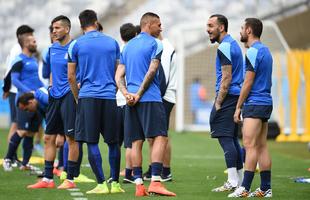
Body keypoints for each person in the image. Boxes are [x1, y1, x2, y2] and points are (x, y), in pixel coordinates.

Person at [115, 12, 176, 197]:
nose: (160, 28)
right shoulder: (156, 43)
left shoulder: (127, 46)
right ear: (148, 24)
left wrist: (127, 94)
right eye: (158, 24)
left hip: (131, 101)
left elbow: (118, 75)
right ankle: (156, 181)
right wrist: (139, 94)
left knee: (135, 142)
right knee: (160, 137)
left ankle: (139, 185)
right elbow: (153, 69)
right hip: (149, 98)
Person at [68, 9, 124, 194]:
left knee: (91, 142)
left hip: (88, 97)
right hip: (109, 97)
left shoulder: (75, 45)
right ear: (96, 21)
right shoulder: (112, 42)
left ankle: (101, 184)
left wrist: (78, 97)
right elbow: (118, 72)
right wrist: (112, 90)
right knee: (113, 142)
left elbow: (70, 77)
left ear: (81, 24)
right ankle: (115, 184)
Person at [228, 18, 273, 198]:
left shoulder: (253, 52)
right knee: (262, 146)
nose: (240, 31)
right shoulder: (266, 51)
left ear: (248, 30)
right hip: (266, 103)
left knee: (249, 145)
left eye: (241, 28)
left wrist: (238, 107)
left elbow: (248, 82)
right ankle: (265, 188)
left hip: (254, 103)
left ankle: (244, 188)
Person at [206, 14, 244, 192]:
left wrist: (218, 102)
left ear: (221, 28)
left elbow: (226, 78)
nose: (208, 29)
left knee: (225, 138)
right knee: (232, 139)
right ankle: (240, 180)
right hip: (235, 96)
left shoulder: (225, 47)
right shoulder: (233, 44)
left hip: (227, 97)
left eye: (211, 25)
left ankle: (233, 181)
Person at [2, 32, 44, 171]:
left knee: (31, 133)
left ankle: (25, 163)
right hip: (25, 101)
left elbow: (36, 79)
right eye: (33, 41)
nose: (35, 43)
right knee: (22, 130)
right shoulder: (18, 60)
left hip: (36, 101)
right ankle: (8, 159)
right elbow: (15, 80)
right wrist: (29, 92)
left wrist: (43, 89)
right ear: (25, 44)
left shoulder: (32, 60)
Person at [143, 32, 177, 182]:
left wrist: (158, 94)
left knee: (160, 135)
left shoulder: (164, 47)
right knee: (154, 136)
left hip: (163, 95)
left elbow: (164, 74)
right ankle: (154, 169)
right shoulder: (161, 45)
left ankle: (165, 171)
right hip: (162, 94)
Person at [115, 23, 140, 185]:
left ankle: (119, 172)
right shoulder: (133, 51)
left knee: (119, 141)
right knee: (131, 140)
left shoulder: (122, 51)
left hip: (117, 99)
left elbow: (117, 76)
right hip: (128, 98)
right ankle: (129, 173)